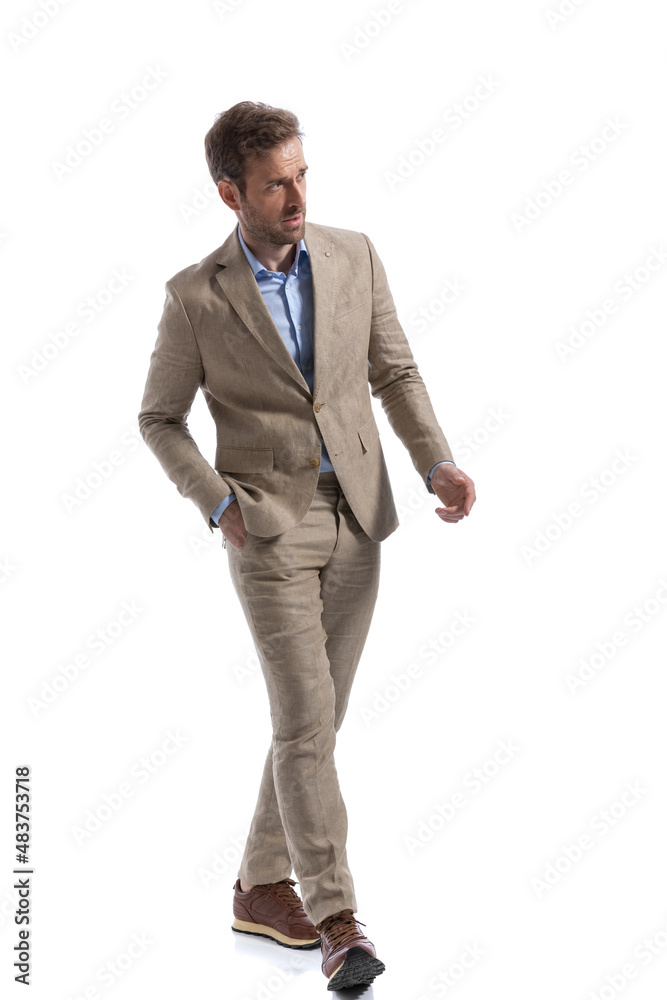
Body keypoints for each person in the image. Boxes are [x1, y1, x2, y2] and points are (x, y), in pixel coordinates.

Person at [138, 100, 476, 991]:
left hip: (359, 513)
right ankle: (337, 920)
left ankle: (258, 886)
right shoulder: (194, 296)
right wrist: (216, 502)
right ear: (229, 194)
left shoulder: (352, 254)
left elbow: (393, 369)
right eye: (273, 185)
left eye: (300, 176)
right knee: (302, 720)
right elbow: (159, 418)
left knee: (318, 722)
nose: (295, 198)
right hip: (265, 526)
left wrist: (435, 461)